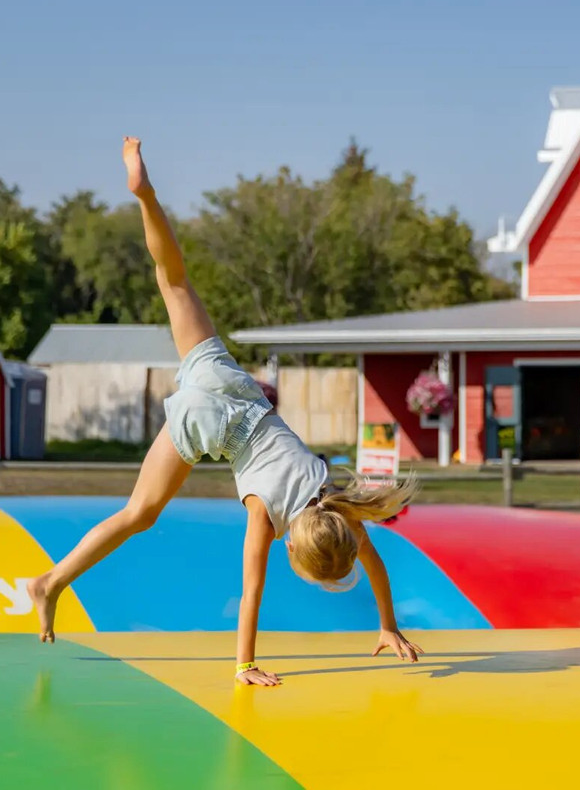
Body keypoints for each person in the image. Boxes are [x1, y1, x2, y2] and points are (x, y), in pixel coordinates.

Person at [28, 138, 423, 685]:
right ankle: (49, 584)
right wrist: (245, 664)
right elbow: (251, 591)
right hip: (203, 421)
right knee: (138, 514)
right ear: (297, 548)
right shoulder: (266, 517)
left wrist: (387, 622)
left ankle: (145, 196)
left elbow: (371, 561)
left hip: (228, 386)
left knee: (175, 280)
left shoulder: (337, 499)